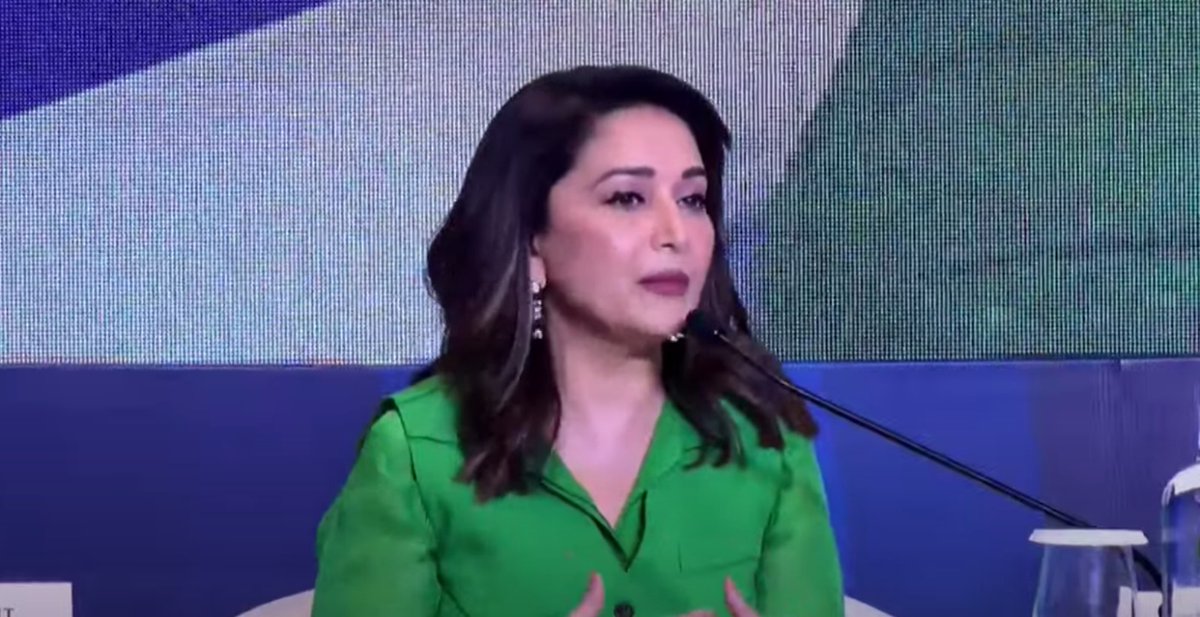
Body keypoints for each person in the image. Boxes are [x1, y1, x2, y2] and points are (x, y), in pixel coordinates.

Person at [311, 64, 844, 617]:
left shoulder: (765, 435)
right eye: (627, 198)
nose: (676, 234)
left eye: (692, 200)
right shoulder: (413, 451)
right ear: (531, 242)